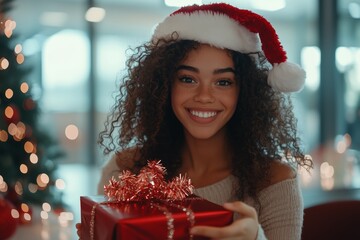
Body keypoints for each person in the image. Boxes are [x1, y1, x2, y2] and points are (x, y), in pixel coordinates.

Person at [77, 2, 313, 240]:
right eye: (188, 79)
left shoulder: (275, 181)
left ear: (245, 92)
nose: (204, 96)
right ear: (164, 85)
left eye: (223, 82)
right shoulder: (126, 170)